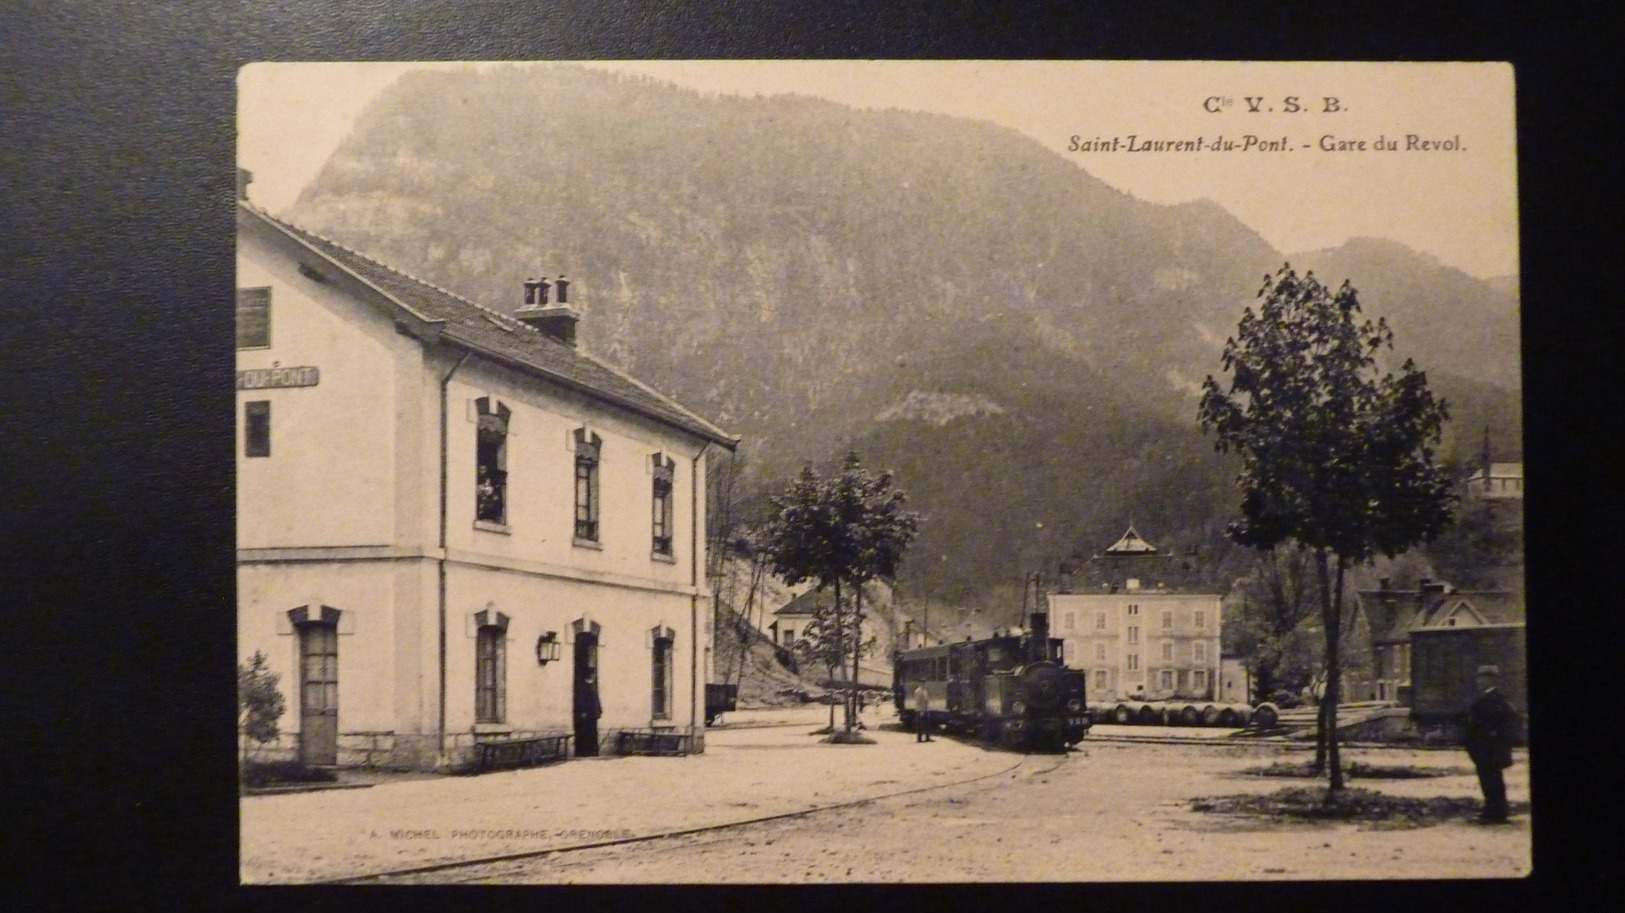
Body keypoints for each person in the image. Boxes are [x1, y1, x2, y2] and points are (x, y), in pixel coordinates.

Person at [1464, 664, 1517, 824]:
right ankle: (1493, 810)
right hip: (1485, 749)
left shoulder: (1494, 700)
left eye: (1482, 678)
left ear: (1490, 680)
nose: (1479, 682)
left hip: (1489, 750)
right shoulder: (1490, 698)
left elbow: (1500, 725)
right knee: (1490, 780)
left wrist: (1489, 741)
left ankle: (1495, 813)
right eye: (1478, 678)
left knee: (1491, 781)